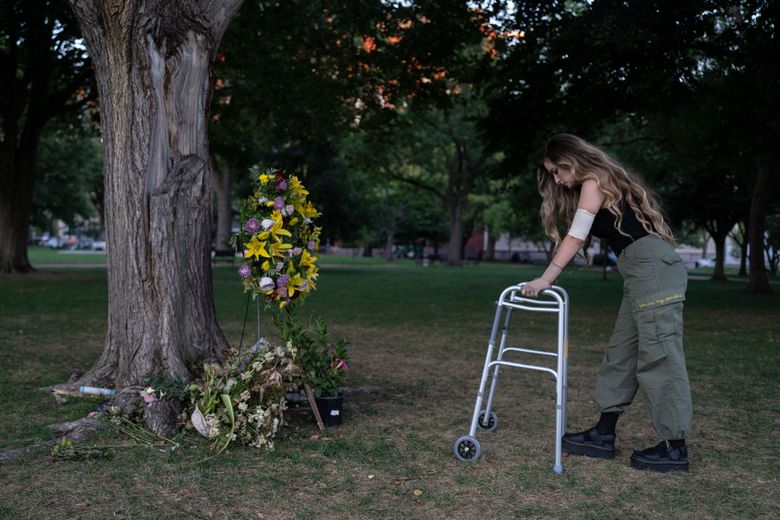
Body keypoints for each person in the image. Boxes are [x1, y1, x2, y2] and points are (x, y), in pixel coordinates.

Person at [521, 134, 692, 473]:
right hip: (640, 274)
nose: (557, 179)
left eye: (557, 171)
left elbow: (577, 234)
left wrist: (547, 278)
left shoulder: (595, 181)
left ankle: (675, 448)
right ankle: (603, 433)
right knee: (621, 353)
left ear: (571, 161)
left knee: (659, 356)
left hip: (654, 273)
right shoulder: (598, 182)